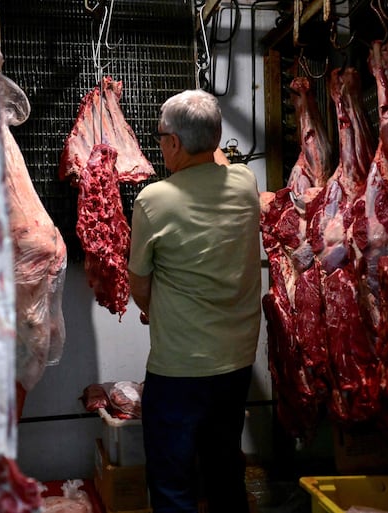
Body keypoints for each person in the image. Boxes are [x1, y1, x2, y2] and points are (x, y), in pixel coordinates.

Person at [128, 89, 261, 513]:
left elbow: (139, 284)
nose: (159, 142)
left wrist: (153, 309)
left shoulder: (153, 201)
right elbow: (217, 159)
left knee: (173, 485)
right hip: (236, 364)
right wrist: (205, 128)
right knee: (225, 473)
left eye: (162, 135)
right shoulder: (246, 183)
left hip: (180, 369)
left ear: (173, 144)